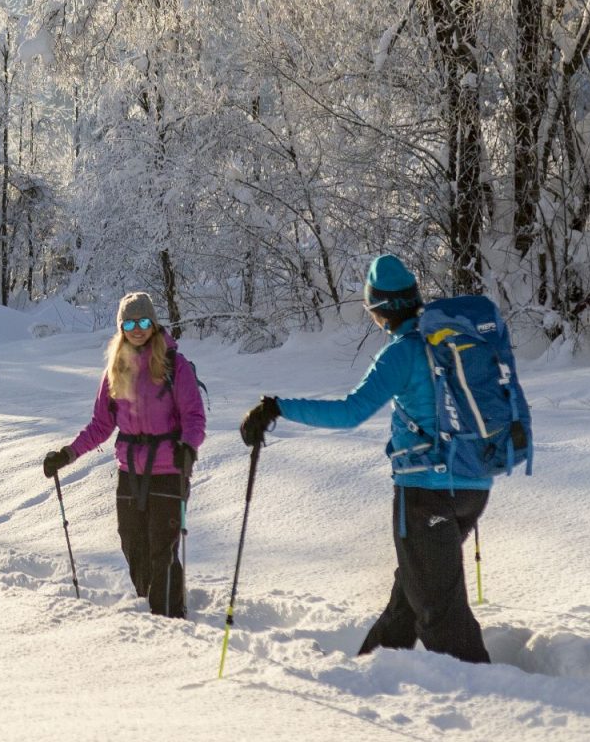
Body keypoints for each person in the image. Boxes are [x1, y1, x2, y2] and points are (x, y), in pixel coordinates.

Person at [238, 254, 491, 664]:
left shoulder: (402, 354)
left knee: (437, 611)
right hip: (472, 485)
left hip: (427, 491)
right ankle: (368, 667)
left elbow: (350, 412)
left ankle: (489, 695)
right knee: (412, 590)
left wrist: (277, 407)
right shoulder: (448, 341)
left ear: (378, 310)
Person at [41, 292, 206, 618]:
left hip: (169, 468)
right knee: (132, 544)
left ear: (154, 323)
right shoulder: (116, 369)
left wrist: (188, 448)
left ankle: (171, 619)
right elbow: (101, 424)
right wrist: (68, 454)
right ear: (121, 326)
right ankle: (154, 599)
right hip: (129, 470)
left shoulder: (175, 365)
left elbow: (194, 417)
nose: (137, 329)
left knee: (163, 548)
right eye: (129, 322)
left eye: (144, 321)